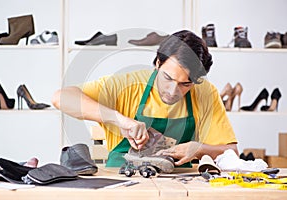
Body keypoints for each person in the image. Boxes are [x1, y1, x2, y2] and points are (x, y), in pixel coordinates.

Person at [52, 30, 238, 168]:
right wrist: (119, 120)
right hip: (124, 183)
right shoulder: (127, 84)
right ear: (158, 63)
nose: (173, 91)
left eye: (185, 84)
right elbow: (60, 98)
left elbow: (232, 153)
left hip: (179, 183)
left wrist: (199, 149)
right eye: (168, 78)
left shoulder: (205, 92)